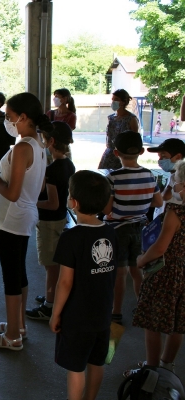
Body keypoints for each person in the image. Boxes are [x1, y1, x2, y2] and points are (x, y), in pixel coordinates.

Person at [0, 92, 49, 350]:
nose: (8, 122)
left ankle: (12, 337)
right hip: (24, 215)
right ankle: (17, 324)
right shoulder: (38, 144)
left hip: (12, 218)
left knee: (11, 276)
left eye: (10, 117)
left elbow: (11, 192)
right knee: (18, 273)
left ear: (23, 117)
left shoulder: (23, 147)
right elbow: (36, 185)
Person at [50, 170, 117, 400]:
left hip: (77, 317)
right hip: (103, 314)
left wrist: (55, 313)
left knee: (76, 368)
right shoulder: (111, 233)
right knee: (97, 363)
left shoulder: (71, 238)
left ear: (74, 202)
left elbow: (65, 282)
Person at [129, 160, 185, 376]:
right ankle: (167, 365)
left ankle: (151, 369)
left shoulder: (175, 212)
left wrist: (142, 260)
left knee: (153, 321)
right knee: (178, 322)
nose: (175, 186)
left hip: (166, 272)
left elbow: (160, 247)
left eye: (177, 182)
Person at [103, 131, 163, 324]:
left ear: (115, 153)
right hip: (139, 228)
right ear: (142, 152)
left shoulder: (113, 177)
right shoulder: (150, 175)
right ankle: (141, 305)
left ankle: (116, 312)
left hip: (118, 230)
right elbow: (158, 201)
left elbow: (107, 208)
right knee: (137, 270)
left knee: (120, 273)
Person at [26, 121, 75, 321]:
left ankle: (49, 306)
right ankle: (51, 296)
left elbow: (53, 203)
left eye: (45, 139)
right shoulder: (68, 164)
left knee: (51, 265)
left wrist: (32, 202)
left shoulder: (53, 170)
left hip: (50, 222)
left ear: (51, 141)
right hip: (61, 219)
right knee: (54, 263)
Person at [98, 89, 139, 170]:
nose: (113, 102)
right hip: (110, 153)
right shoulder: (111, 118)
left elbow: (135, 139)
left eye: (116, 99)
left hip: (124, 155)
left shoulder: (131, 119)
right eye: (112, 99)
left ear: (123, 102)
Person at [147, 139, 185, 205]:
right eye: (159, 156)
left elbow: (166, 197)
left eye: (164, 156)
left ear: (178, 157)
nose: (160, 160)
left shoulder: (180, 179)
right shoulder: (172, 176)